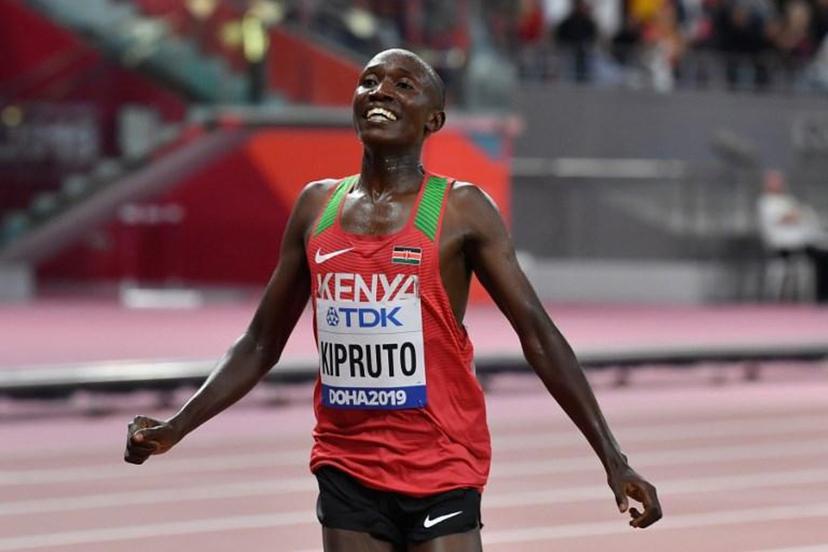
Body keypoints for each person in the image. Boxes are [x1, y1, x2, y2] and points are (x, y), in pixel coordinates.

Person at [124, 48, 662, 551]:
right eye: (370, 82)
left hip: (442, 462)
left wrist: (614, 459)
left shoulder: (461, 210)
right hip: (346, 463)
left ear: (434, 119)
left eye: (404, 85)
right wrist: (178, 425)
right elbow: (261, 341)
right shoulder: (317, 207)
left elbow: (539, 336)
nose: (380, 92)